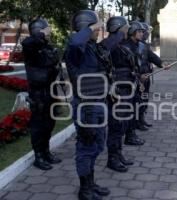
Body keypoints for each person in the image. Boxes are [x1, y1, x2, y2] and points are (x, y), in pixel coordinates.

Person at [65, 10, 125, 200]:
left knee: (98, 145)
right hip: (86, 107)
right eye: (96, 28)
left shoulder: (93, 48)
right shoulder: (76, 50)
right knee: (86, 147)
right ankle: (84, 190)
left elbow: (110, 43)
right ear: (86, 26)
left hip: (99, 104)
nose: (99, 31)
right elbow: (75, 41)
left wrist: (123, 30)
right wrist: (91, 26)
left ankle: (91, 184)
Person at [22, 18, 62, 171]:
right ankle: (38, 156)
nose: (49, 33)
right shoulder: (31, 48)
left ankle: (46, 151)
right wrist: (40, 34)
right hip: (38, 94)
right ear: (38, 31)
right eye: (46, 30)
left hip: (50, 91)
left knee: (49, 124)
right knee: (38, 126)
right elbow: (27, 43)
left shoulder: (47, 48)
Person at [106, 17, 137, 172]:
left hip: (127, 90)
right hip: (117, 93)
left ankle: (118, 154)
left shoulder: (122, 47)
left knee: (122, 124)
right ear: (117, 29)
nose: (128, 30)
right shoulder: (109, 46)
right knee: (116, 125)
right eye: (125, 28)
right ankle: (112, 158)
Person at [136, 22, 170, 129]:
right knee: (139, 100)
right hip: (138, 77)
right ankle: (136, 122)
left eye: (144, 32)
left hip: (146, 76)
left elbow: (152, 56)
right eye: (143, 32)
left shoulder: (144, 45)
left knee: (144, 99)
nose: (145, 34)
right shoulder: (133, 45)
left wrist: (161, 63)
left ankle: (141, 119)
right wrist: (139, 76)